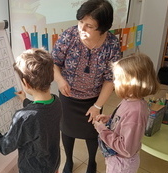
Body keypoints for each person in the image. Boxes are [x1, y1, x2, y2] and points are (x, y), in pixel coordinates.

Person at [0, 48, 62, 173]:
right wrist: (26, 101)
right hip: (53, 165)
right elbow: (41, 114)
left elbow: (4, 146)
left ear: (25, 83)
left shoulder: (24, 117)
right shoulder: (56, 102)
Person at [51, 0, 121, 172]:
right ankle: (68, 160)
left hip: (94, 98)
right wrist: (60, 80)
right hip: (68, 96)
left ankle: (92, 162)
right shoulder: (69, 35)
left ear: (103, 28)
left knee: (93, 132)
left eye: (89, 26)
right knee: (66, 130)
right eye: (81, 21)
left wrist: (97, 106)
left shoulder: (112, 45)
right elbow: (53, 62)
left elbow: (109, 79)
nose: (82, 28)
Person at [93, 53, 160, 173]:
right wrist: (109, 119)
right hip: (116, 159)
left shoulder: (136, 111)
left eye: (118, 78)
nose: (114, 82)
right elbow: (124, 122)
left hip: (122, 164)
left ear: (131, 83)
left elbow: (126, 149)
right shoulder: (129, 100)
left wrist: (102, 130)